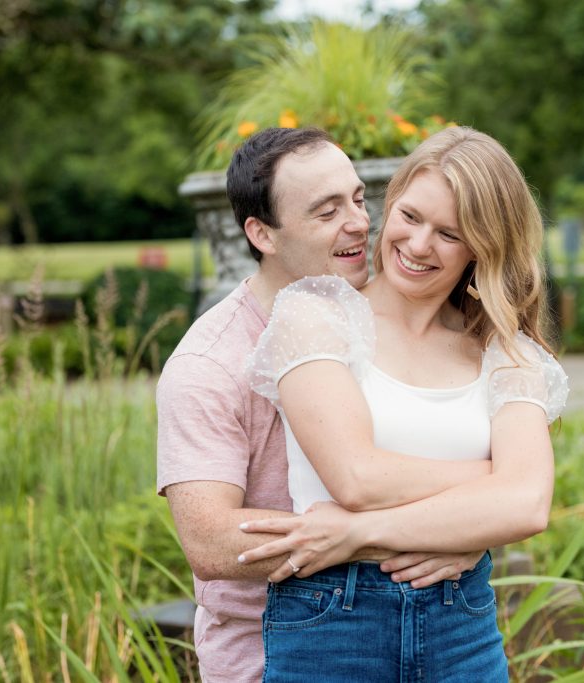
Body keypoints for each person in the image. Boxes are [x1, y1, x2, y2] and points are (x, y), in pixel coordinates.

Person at [156, 127, 485, 682]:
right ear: (263, 233)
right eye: (326, 211)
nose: (359, 222)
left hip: (425, 633)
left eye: (359, 199)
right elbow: (210, 540)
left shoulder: (396, 309)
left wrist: (480, 526)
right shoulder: (208, 366)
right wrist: (438, 525)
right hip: (268, 656)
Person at [240, 126, 568, 681]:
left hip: (460, 624)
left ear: (482, 247)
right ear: (389, 208)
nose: (418, 246)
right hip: (333, 622)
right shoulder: (317, 315)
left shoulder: (507, 353)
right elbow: (356, 477)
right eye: (410, 217)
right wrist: (492, 484)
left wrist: (358, 533)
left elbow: (528, 507)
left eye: (449, 234)